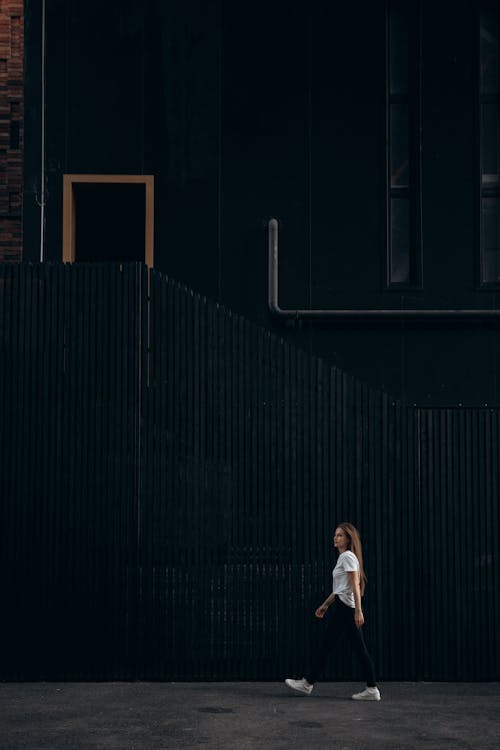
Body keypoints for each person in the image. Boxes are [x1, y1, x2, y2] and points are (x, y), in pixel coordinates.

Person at [285, 522, 381, 701]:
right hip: (343, 607)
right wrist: (326, 604)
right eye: (335, 534)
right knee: (336, 647)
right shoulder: (344, 557)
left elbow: (355, 585)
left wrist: (358, 611)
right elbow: (340, 588)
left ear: (348, 539)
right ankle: (370, 688)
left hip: (346, 609)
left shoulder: (347, 557)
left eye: (340, 535)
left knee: (343, 648)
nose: (335, 538)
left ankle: (309, 683)